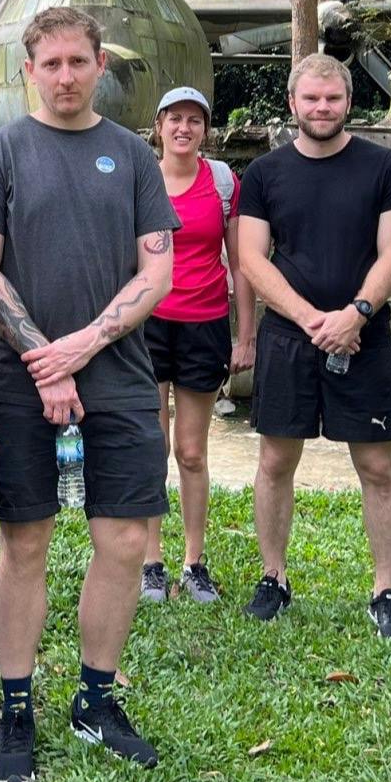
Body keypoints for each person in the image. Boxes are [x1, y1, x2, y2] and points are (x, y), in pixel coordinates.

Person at [0, 5, 178, 782]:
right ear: (28, 72)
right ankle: (15, 709)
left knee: (121, 543)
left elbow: (157, 272)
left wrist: (82, 347)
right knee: (27, 542)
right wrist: (44, 361)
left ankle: (95, 698)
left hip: (119, 378)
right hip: (21, 381)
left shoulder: (134, 156)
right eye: (48, 64)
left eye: (77, 62)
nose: (64, 76)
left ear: (100, 66)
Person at [235, 52, 391, 638]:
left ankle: (386, 589)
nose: (321, 108)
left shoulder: (384, 167)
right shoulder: (264, 174)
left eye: (332, 98)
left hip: (363, 336)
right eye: (311, 98)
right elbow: (251, 259)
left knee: (376, 465)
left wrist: (357, 312)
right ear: (293, 103)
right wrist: (313, 317)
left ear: (348, 103)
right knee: (275, 460)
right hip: (290, 337)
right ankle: (273, 577)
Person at [140, 85, 255, 605]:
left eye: (194, 120)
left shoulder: (223, 182)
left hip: (205, 321)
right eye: (174, 119)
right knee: (151, 445)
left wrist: (245, 331)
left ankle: (193, 560)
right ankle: (150, 561)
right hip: (149, 322)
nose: (183, 128)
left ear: (204, 129)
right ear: (159, 125)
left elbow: (242, 261)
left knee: (190, 449)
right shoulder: (141, 179)